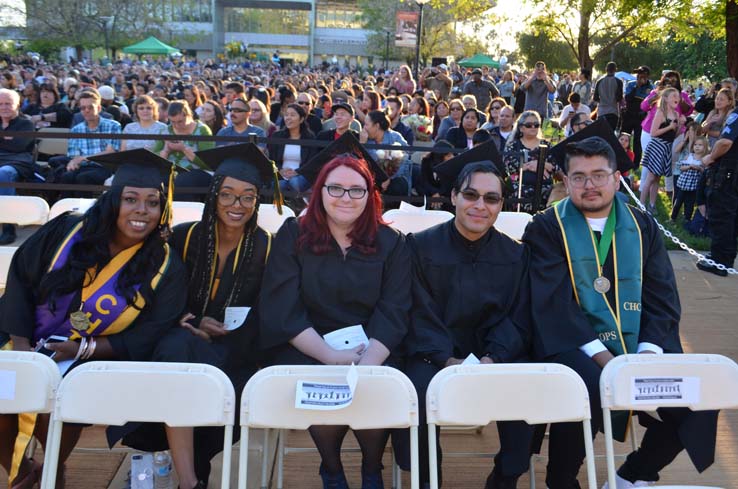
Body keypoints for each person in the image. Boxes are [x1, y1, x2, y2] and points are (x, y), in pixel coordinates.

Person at [523, 135, 717, 489]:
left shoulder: (643, 227)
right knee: (585, 385)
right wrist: (607, 361)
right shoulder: (546, 228)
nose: (589, 185)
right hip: (572, 342)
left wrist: (646, 355)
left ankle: (634, 473)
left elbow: (663, 300)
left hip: (644, 346)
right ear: (566, 182)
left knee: (698, 398)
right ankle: (562, 478)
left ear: (616, 178)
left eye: (599, 174)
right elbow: (552, 304)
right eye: (579, 177)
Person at [0, 149, 187, 489]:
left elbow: (152, 331)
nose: (141, 211)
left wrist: (82, 349)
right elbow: (21, 278)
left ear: (163, 209)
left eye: (152, 202)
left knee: (66, 398)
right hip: (23, 338)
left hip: (94, 356)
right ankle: (32, 472)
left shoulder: (163, 266)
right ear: (114, 199)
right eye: (131, 199)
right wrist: (23, 348)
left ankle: (50, 471)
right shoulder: (67, 231)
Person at [120, 143, 278, 488]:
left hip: (236, 347)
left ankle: (190, 471)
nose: (237, 206)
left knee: (220, 376)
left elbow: (270, 308)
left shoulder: (268, 246)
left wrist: (231, 331)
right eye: (227, 195)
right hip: (178, 338)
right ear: (213, 195)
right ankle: (190, 480)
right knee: (178, 352)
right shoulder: (181, 237)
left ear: (257, 201)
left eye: (247, 197)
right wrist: (189, 320)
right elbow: (156, 293)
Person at [259, 149, 410, 489]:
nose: (346, 197)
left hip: (374, 347)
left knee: (378, 384)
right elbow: (283, 307)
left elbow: (396, 307)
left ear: (369, 195)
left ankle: (372, 468)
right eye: (335, 188)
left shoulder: (392, 243)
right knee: (320, 381)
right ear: (319, 191)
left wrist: (368, 363)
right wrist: (330, 356)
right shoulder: (293, 236)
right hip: (309, 345)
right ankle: (332, 468)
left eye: (356, 189)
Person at [395, 156, 533, 489]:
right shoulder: (419, 246)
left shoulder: (516, 255)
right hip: (433, 352)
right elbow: (417, 311)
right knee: (414, 389)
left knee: (528, 387)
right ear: (454, 196)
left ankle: (506, 476)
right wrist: (448, 359)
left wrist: (492, 358)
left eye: (491, 198)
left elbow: (519, 315)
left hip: (496, 354)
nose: (479, 206)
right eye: (471, 195)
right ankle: (427, 480)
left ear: (501, 205)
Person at [698, 103, 738, 276]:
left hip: (728, 174)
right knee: (732, 219)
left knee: (722, 216)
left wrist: (710, 157)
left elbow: (725, 142)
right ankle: (726, 257)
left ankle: (719, 261)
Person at [153, 101, 215, 199]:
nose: (176, 125)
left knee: (183, 180)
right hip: (172, 170)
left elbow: (209, 163)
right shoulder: (166, 131)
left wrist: (184, 149)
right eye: (173, 122)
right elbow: (154, 157)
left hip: (198, 171)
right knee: (153, 179)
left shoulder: (202, 130)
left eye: (180, 121)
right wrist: (166, 150)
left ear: (189, 116)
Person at [0, 88, 36, 245]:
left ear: (17, 105)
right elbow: (11, 144)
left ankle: (8, 228)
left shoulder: (26, 124)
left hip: (17, 163)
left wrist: (8, 142)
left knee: (3, 174)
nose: (4, 107)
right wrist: (6, 139)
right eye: (0, 104)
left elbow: (18, 146)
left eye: (8, 103)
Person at [640, 88, 685, 211]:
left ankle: (652, 205)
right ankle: (641, 204)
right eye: (673, 96)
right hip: (657, 146)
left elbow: (673, 135)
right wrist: (669, 126)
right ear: (665, 99)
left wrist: (680, 125)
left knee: (657, 178)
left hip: (667, 147)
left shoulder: (676, 114)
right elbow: (654, 133)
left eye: (678, 96)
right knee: (650, 178)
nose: (677, 98)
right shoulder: (661, 112)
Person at [503, 110, 556, 213]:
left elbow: (554, 166)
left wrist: (536, 164)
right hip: (520, 188)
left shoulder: (547, 145)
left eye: (536, 125)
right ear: (521, 128)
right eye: (529, 125)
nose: (533, 127)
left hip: (544, 187)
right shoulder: (513, 146)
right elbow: (510, 167)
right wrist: (542, 166)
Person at [360, 110, 413, 196]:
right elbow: (365, 162)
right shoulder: (365, 139)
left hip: (395, 178)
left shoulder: (395, 137)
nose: (364, 128)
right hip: (374, 177)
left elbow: (405, 160)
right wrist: (362, 144)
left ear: (377, 126)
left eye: (366, 124)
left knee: (398, 185)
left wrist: (389, 179)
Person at [267, 102, 317, 194]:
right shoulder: (277, 136)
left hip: (301, 174)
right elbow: (271, 158)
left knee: (294, 182)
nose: (288, 118)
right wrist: (280, 170)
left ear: (301, 119)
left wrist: (297, 172)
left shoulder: (310, 138)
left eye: (292, 115)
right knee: (280, 185)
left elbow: (311, 162)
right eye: (286, 115)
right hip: (281, 173)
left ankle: (297, 206)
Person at [621, 66, 653, 166]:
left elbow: (651, 103)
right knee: (624, 137)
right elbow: (628, 98)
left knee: (637, 140)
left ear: (647, 76)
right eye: (638, 75)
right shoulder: (631, 84)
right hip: (629, 114)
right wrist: (637, 87)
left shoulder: (651, 88)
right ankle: (622, 158)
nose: (639, 77)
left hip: (641, 116)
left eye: (642, 75)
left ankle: (635, 163)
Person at [672, 135, 707, 221]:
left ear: (705, 147)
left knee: (690, 203)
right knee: (678, 202)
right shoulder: (689, 156)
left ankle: (687, 219)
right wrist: (688, 167)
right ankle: (673, 218)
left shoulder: (704, 160)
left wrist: (699, 168)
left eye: (700, 145)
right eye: (695, 145)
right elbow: (681, 168)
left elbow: (705, 172)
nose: (697, 147)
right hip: (683, 184)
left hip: (693, 186)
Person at [592, 62, 623, 130]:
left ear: (606, 69)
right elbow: (619, 98)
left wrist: (603, 100)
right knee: (611, 134)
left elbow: (595, 98)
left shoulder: (599, 81)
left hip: (601, 111)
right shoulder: (618, 82)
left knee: (602, 133)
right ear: (615, 70)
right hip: (613, 111)